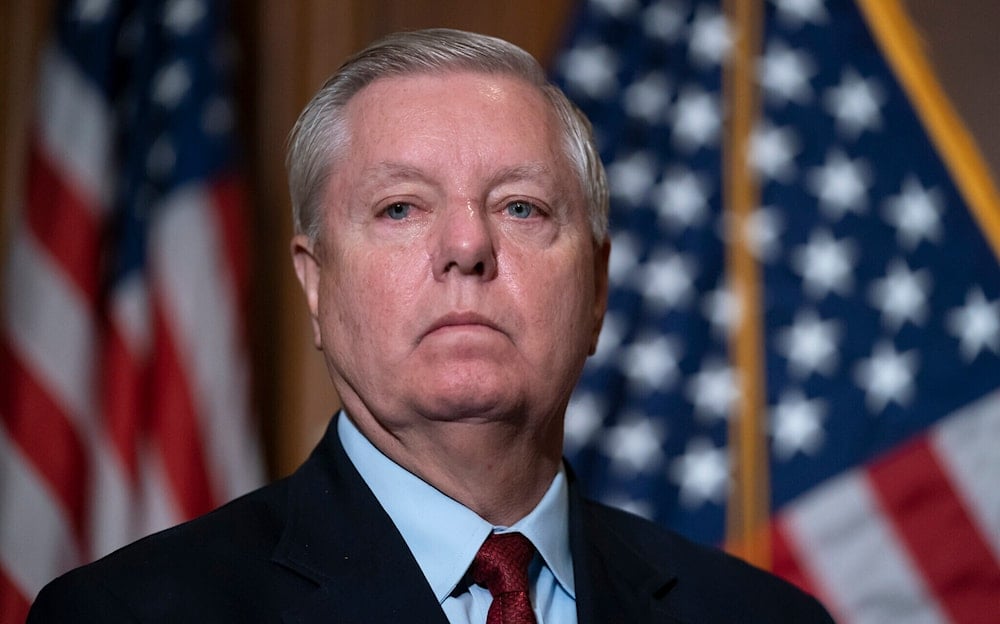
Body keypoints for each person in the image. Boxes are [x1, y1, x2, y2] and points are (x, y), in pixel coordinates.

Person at [28, 29, 834, 623]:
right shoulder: (125, 615)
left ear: (596, 290)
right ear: (315, 284)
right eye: (401, 207)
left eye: (521, 206)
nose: (466, 246)